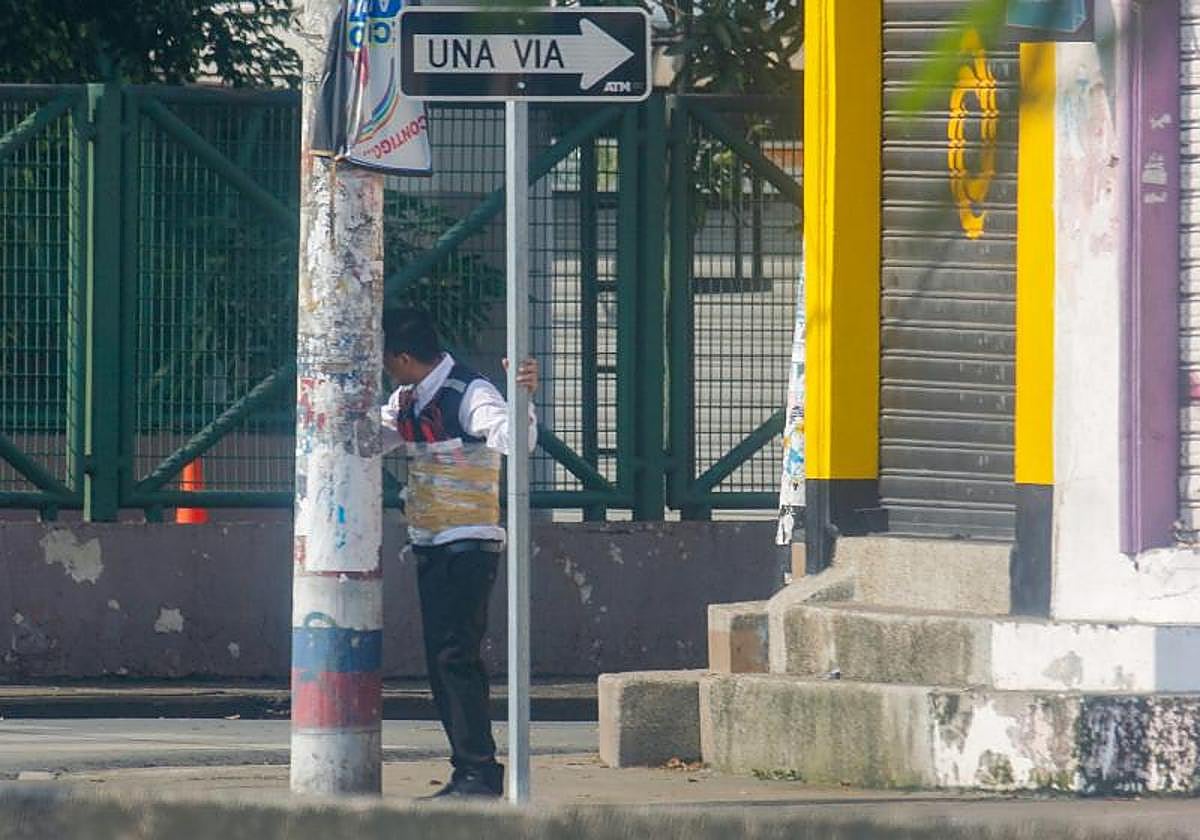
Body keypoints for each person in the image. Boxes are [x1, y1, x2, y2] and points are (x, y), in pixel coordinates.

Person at [379, 307, 538, 799]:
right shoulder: (408, 398)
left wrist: (522, 399)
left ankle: (478, 773)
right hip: (431, 542)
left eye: (384, 358)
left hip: (468, 543)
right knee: (443, 660)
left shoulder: (469, 392)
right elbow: (370, 439)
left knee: (455, 657)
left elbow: (516, 440)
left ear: (403, 358)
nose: (383, 368)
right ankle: (469, 770)